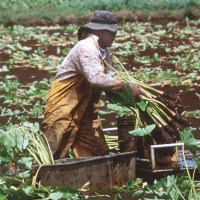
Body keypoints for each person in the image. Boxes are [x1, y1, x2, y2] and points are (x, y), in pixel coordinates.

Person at [42, 10, 144, 160]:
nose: (115, 37)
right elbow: (96, 79)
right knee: (53, 151)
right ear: (102, 32)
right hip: (63, 107)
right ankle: (37, 181)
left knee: (97, 152)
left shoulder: (103, 52)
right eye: (113, 33)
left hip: (87, 111)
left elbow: (111, 77)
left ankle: (94, 183)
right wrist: (126, 86)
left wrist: (133, 92)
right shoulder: (85, 47)